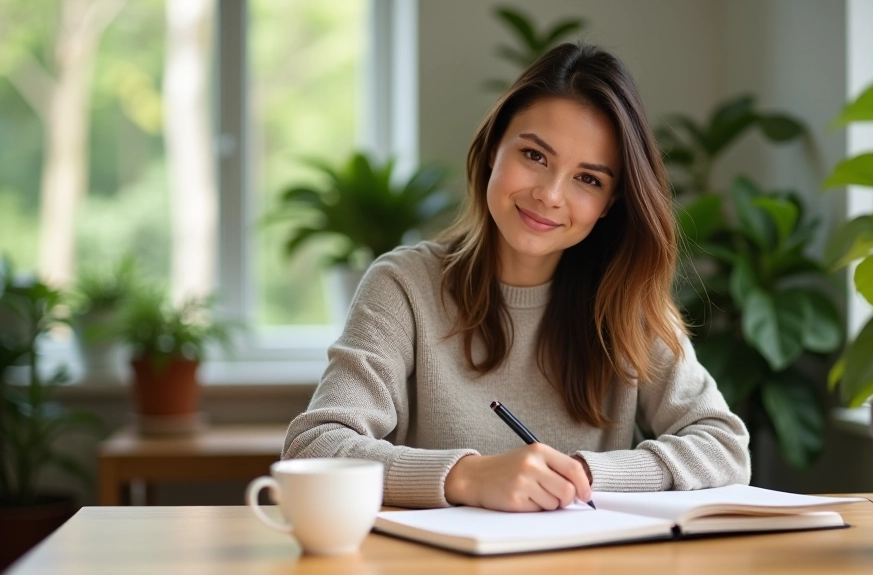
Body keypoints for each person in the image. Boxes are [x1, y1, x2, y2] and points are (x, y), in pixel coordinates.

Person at [283, 42, 750, 511]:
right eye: (534, 155)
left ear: (610, 202)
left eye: (588, 179)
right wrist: (467, 477)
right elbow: (315, 446)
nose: (549, 195)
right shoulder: (403, 286)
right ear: (492, 149)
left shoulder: (624, 303)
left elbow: (725, 446)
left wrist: (585, 476)